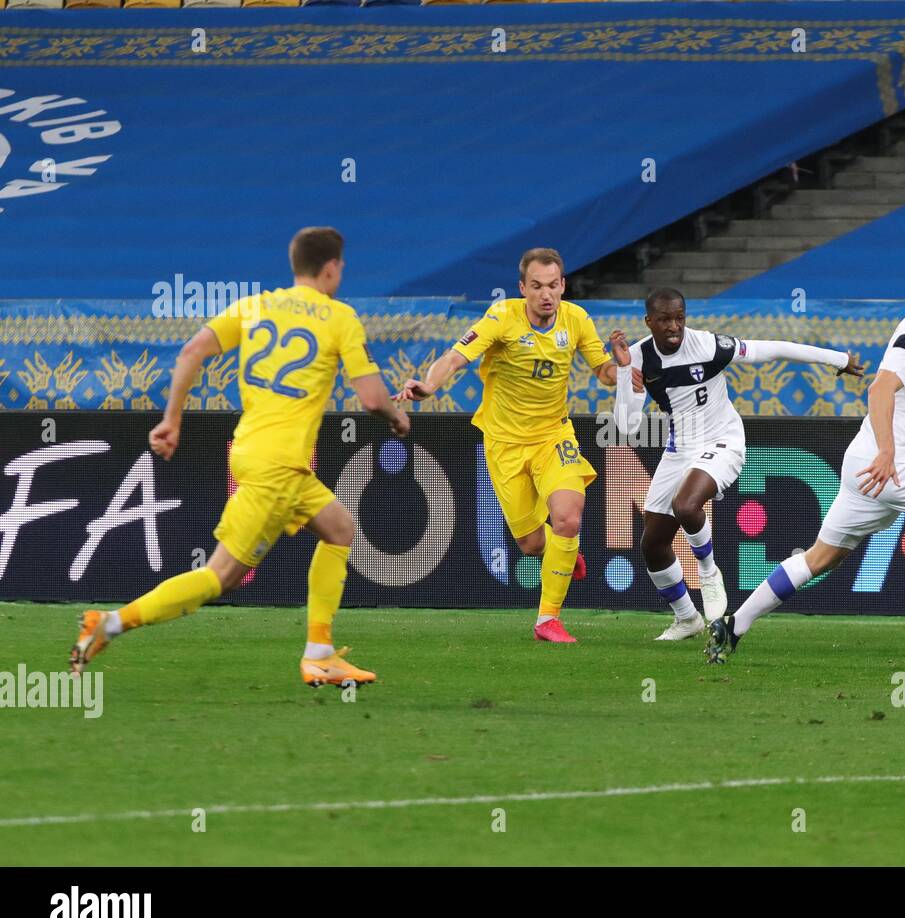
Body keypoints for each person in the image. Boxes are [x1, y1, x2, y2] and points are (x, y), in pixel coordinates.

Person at [72, 227, 409, 686]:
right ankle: (109, 622)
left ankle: (320, 651)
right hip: (280, 466)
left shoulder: (255, 306)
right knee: (220, 577)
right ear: (331, 268)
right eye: (341, 266)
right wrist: (396, 416)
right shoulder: (339, 318)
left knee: (339, 528)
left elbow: (192, 350)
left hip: (252, 451)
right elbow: (371, 397)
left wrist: (172, 419)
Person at [706, 259, 905, 663]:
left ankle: (734, 625)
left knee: (820, 556)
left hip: (864, 464)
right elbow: (880, 390)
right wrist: (889, 452)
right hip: (891, 464)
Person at [397, 248, 629, 644]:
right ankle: (562, 553)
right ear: (523, 288)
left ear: (563, 286)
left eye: (553, 286)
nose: (546, 294)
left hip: (554, 437)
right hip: (504, 444)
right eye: (536, 286)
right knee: (530, 542)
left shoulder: (575, 320)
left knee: (569, 517)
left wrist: (618, 365)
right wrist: (429, 385)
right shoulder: (501, 317)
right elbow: (455, 357)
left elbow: (603, 372)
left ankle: (547, 619)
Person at [612, 287, 863, 641]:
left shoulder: (709, 346)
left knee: (686, 505)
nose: (673, 327)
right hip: (680, 447)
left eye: (679, 318)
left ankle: (709, 572)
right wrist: (625, 372)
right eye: (665, 320)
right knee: (652, 544)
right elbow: (627, 427)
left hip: (723, 440)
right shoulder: (637, 358)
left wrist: (836, 359)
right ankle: (687, 619)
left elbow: (771, 349)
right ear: (649, 322)